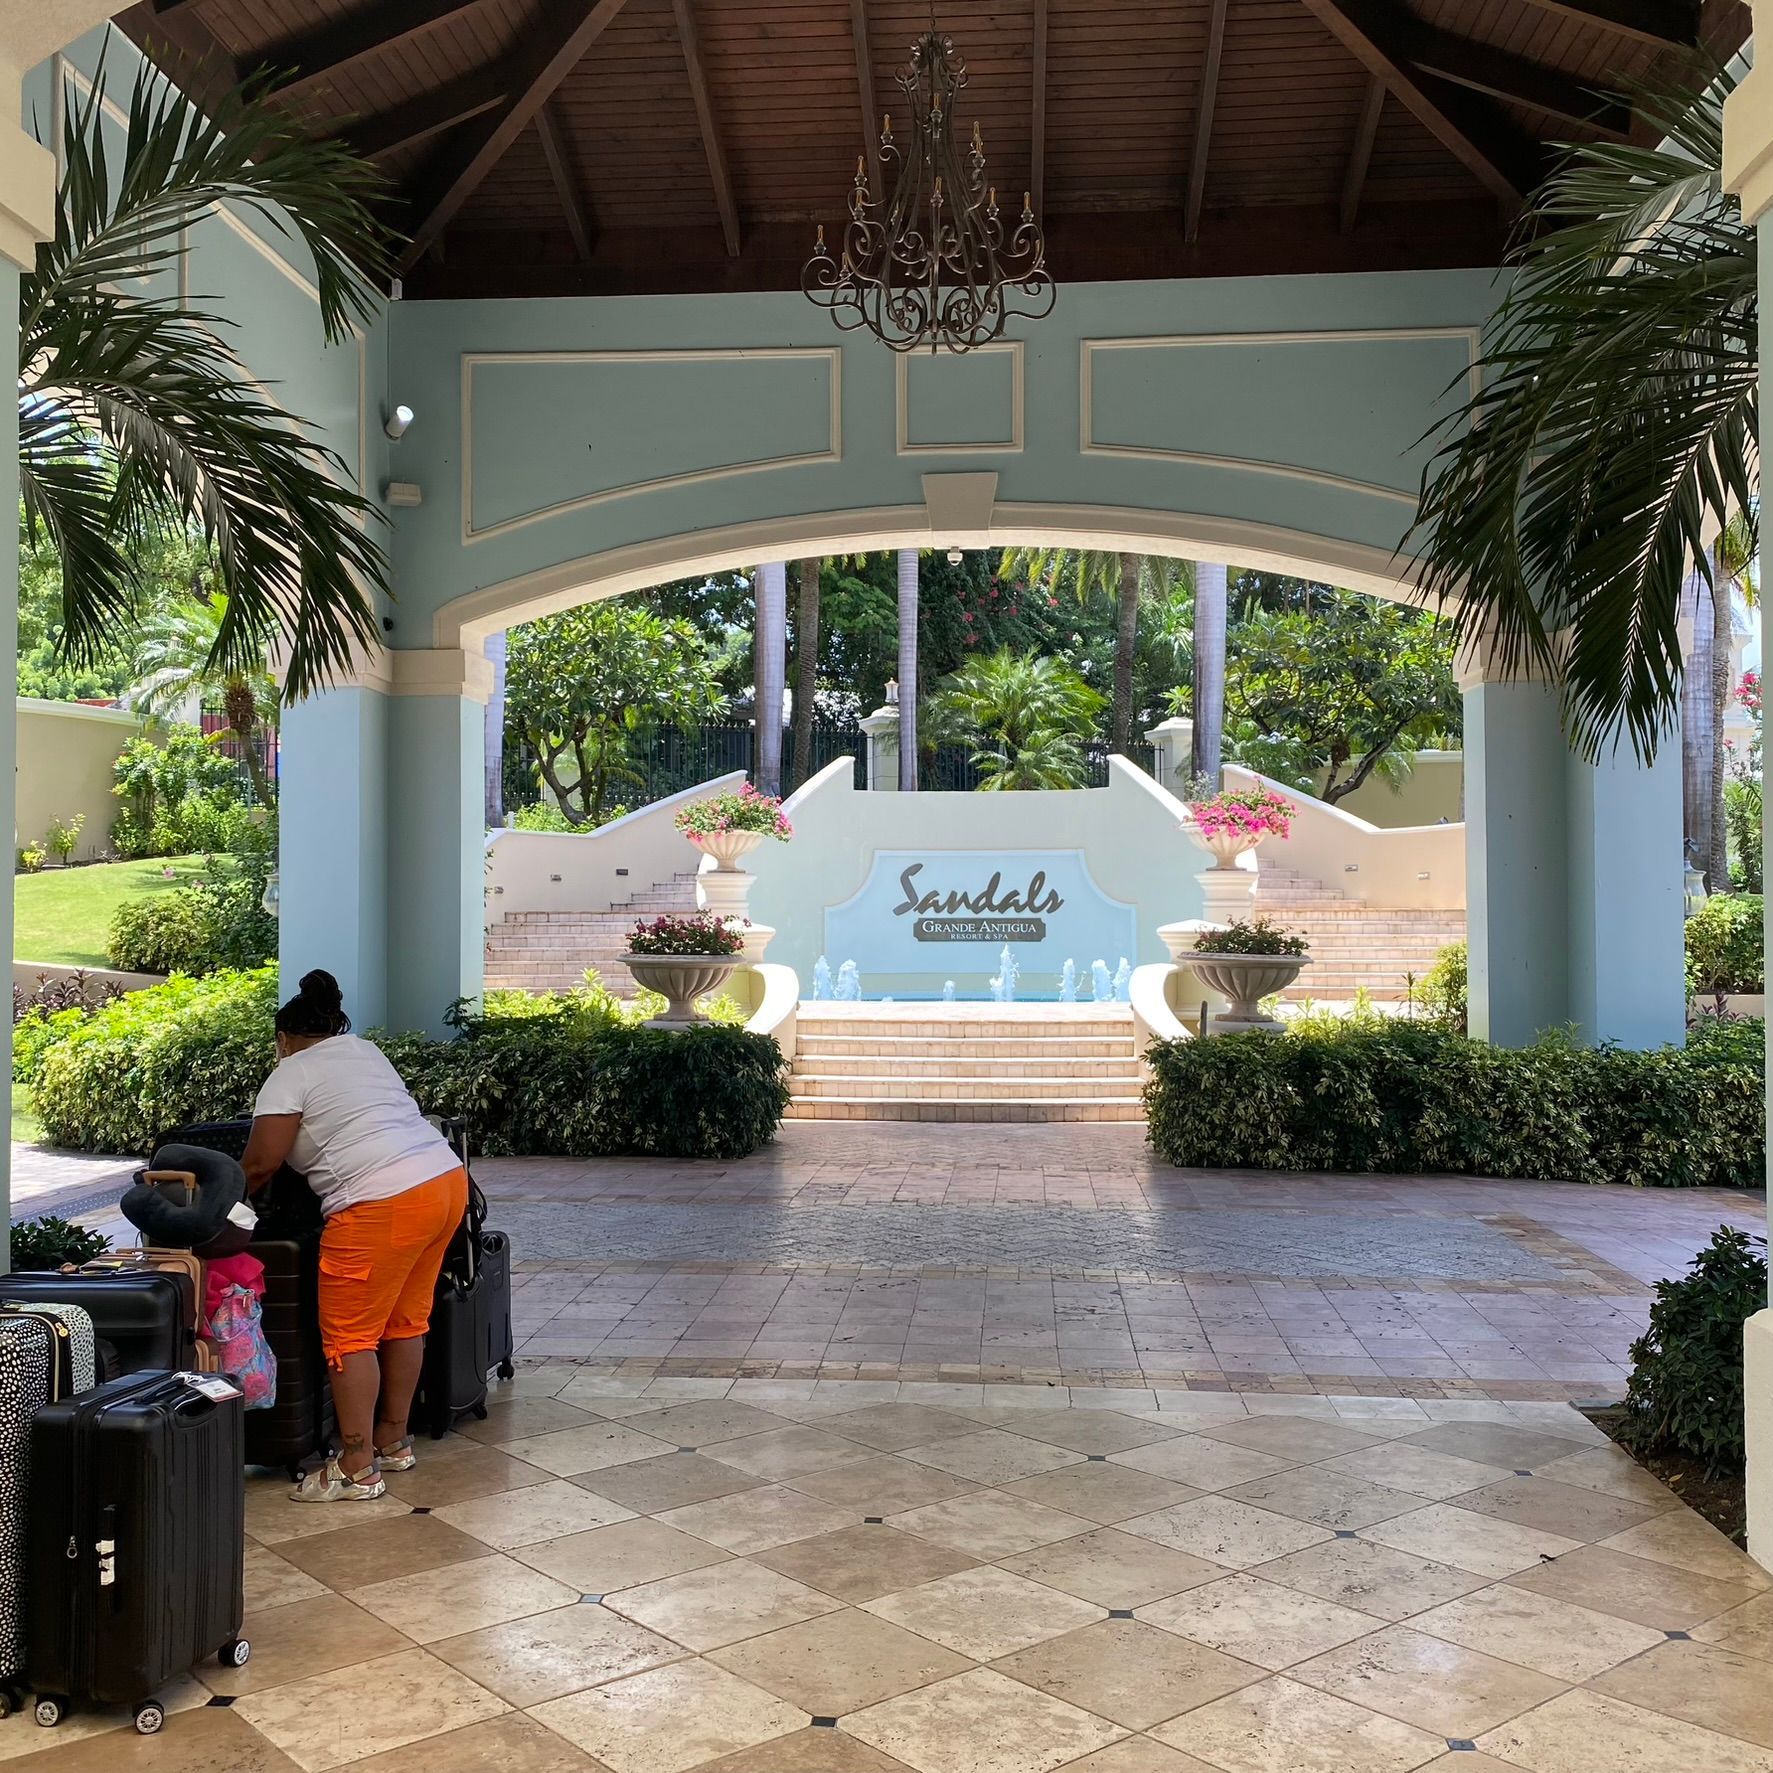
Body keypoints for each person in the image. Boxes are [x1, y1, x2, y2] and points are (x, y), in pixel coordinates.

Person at [242, 969, 468, 1502]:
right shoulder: (366, 1052)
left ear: (284, 1039)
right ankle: (394, 1440)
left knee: (349, 1337)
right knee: (407, 1321)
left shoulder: (290, 1070)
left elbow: (260, 1161)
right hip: (442, 1182)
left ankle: (355, 1465)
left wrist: (228, 1206)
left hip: (379, 1204)